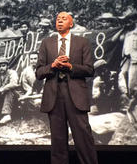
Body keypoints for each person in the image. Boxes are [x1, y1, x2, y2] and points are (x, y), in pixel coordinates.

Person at [36, 12, 98, 164]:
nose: (60, 21)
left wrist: (70, 66)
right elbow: (38, 72)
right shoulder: (46, 43)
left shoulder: (82, 42)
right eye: (57, 19)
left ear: (71, 24)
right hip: (54, 95)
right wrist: (53, 65)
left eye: (64, 19)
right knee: (58, 141)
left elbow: (90, 70)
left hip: (76, 95)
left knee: (83, 138)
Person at [118, 11, 137, 109]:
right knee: (121, 75)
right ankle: (125, 97)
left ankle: (134, 101)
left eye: (129, 20)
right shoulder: (127, 33)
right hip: (126, 58)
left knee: (133, 80)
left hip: (136, 59)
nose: (127, 23)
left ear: (134, 20)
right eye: (126, 21)